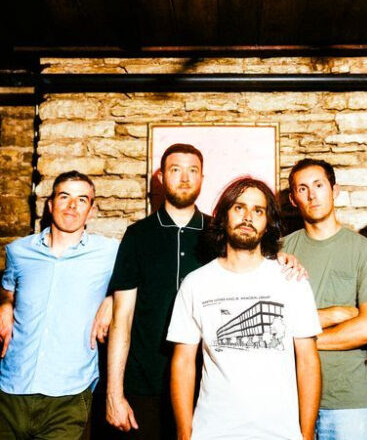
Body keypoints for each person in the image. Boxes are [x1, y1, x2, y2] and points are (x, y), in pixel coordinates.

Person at [106, 144, 304, 438]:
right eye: (176, 169)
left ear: (202, 177)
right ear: (160, 177)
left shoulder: (221, 231)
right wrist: (114, 393)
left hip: (207, 386)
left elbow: (253, 263)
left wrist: (282, 258)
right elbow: (121, 317)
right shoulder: (138, 234)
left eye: (193, 170)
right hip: (145, 383)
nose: (185, 178)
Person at [167, 177, 322, 440]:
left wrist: (306, 435)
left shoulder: (291, 279)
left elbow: (307, 361)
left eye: (258, 211)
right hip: (212, 432)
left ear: (268, 223)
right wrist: (184, 433)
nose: (248, 217)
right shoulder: (196, 283)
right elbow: (183, 362)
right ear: (224, 216)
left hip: (279, 433)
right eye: (239, 207)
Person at [0, 171, 119, 439]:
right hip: (10, 388)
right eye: (65, 197)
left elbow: (142, 282)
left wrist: (112, 300)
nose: (72, 206)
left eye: (82, 199)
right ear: (51, 204)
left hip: (69, 395)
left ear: (91, 210)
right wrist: (5, 303)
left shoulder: (109, 252)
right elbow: (7, 289)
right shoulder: (19, 251)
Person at [283, 158, 367, 440]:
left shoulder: (365, 252)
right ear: (293, 199)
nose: (312, 195)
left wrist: (296, 338)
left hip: (347, 403)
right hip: (288, 399)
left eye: (318, 185)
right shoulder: (281, 252)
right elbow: (272, 323)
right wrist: (332, 315)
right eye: (302, 189)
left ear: (335, 190)